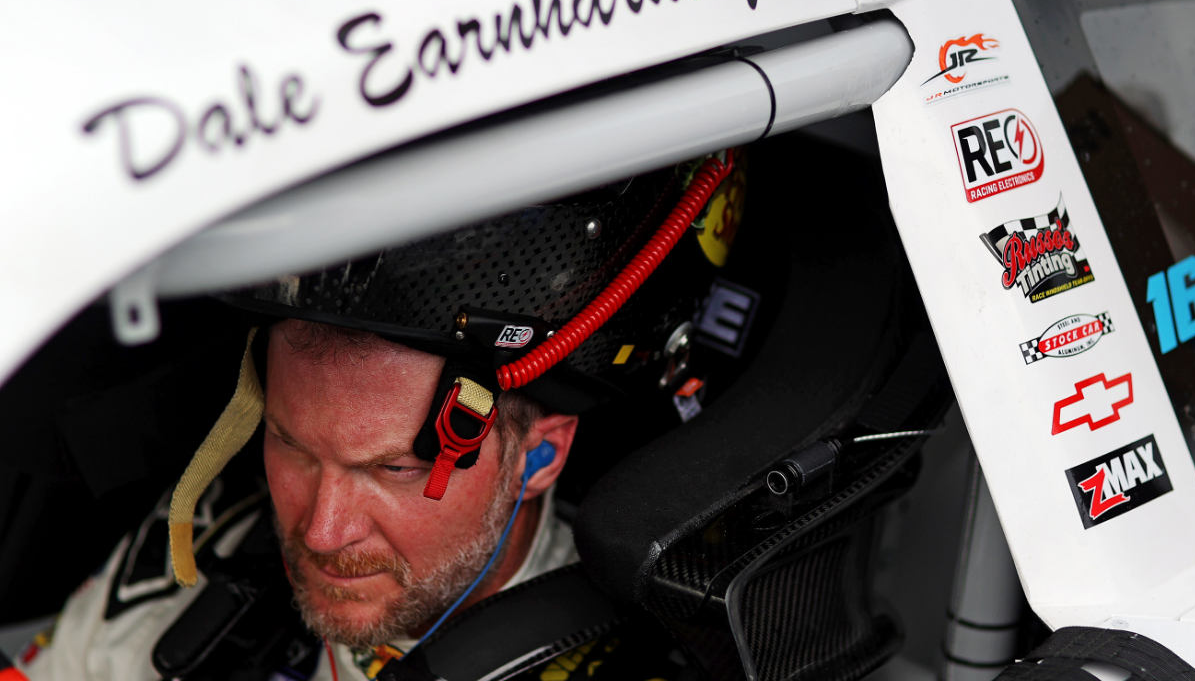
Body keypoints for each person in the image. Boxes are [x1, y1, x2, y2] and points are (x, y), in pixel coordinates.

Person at [13, 150, 743, 681]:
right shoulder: (208, 548)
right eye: (292, 445)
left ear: (539, 459)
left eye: (393, 468)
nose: (320, 528)